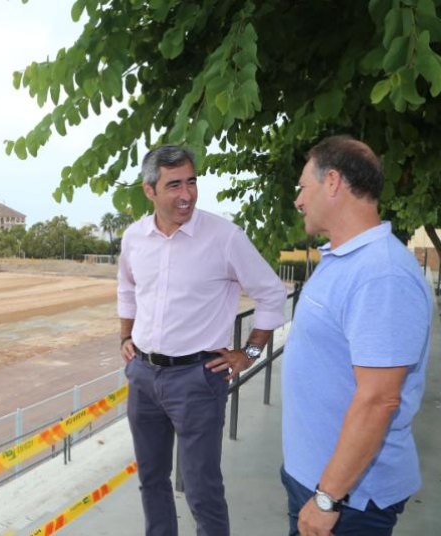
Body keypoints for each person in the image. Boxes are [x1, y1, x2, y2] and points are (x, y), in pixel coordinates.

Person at [118, 144, 287, 536]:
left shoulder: (224, 237)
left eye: (192, 182)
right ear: (150, 191)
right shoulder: (134, 238)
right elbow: (127, 290)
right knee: (151, 481)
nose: (187, 194)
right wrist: (126, 337)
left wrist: (249, 352)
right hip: (143, 376)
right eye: (174, 184)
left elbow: (271, 293)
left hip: (198, 379)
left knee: (201, 489)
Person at [281, 135, 432, 536]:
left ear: (332, 182)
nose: (298, 201)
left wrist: (328, 497)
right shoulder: (346, 259)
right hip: (313, 480)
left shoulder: (381, 275)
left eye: (303, 187)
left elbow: (379, 400)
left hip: (348, 500)